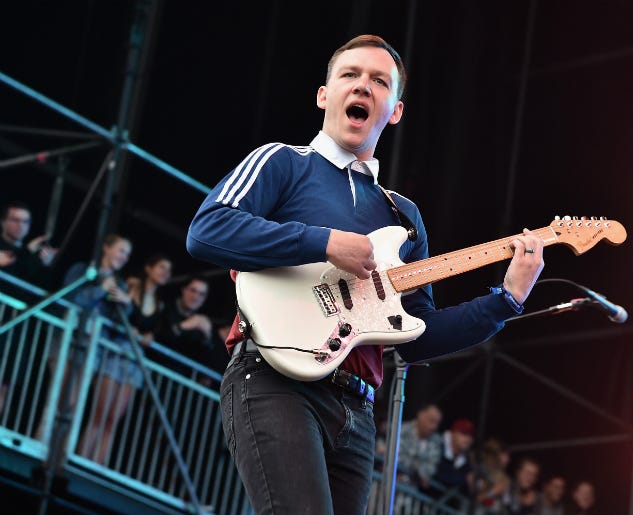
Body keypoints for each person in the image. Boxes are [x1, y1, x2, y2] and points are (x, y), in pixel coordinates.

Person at [186, 34, 545, 515]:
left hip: (357, 411)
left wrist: (507, 300)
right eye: (350, 75)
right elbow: (208, 229)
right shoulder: (283, 162)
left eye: (379, 81)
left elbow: (416, 335)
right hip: (274, 380)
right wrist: (324, 241)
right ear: (324, 94)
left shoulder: (403, 216)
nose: (363, 86)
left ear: (395, 110)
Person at [38, 234, 142, 465]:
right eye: (120, 251)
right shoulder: (82, 270)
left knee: (73, 405)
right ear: (106, 248)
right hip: (67, 339)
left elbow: (116, 324)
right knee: (58, 399)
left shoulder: (121, 283)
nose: (123, 258)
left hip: (93, 349)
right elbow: (69, 300)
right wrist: (100, 289)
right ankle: (41, 449)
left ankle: (58, 457)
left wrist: (125, 305)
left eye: (127, 254)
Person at [0, 200, 58, 291]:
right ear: (3, 222)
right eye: (15, 220)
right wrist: (27, 251)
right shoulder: (26, 252)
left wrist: (46, 266)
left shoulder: (32, 255)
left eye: (26, 221)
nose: (21, 225)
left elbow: (37, 289)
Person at [126, 253, 173, 346]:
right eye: (162, 267)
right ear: (148, 269)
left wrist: (150, 335)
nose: (166, 272)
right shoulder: (131, 286)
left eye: (169, 270)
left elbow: (154, 330)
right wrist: (127, 327)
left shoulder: (160, 305)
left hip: (133, 349)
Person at [397, 403, 443, 489]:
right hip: (392, 485)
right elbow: (397, 457)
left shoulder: (436, 441)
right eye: (431, 421)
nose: (434, 427)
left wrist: (416, 470)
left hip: (411, 494)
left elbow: (431, 468)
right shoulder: (403, 430)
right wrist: (419, 471)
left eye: (437, 423)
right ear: (421, 415)